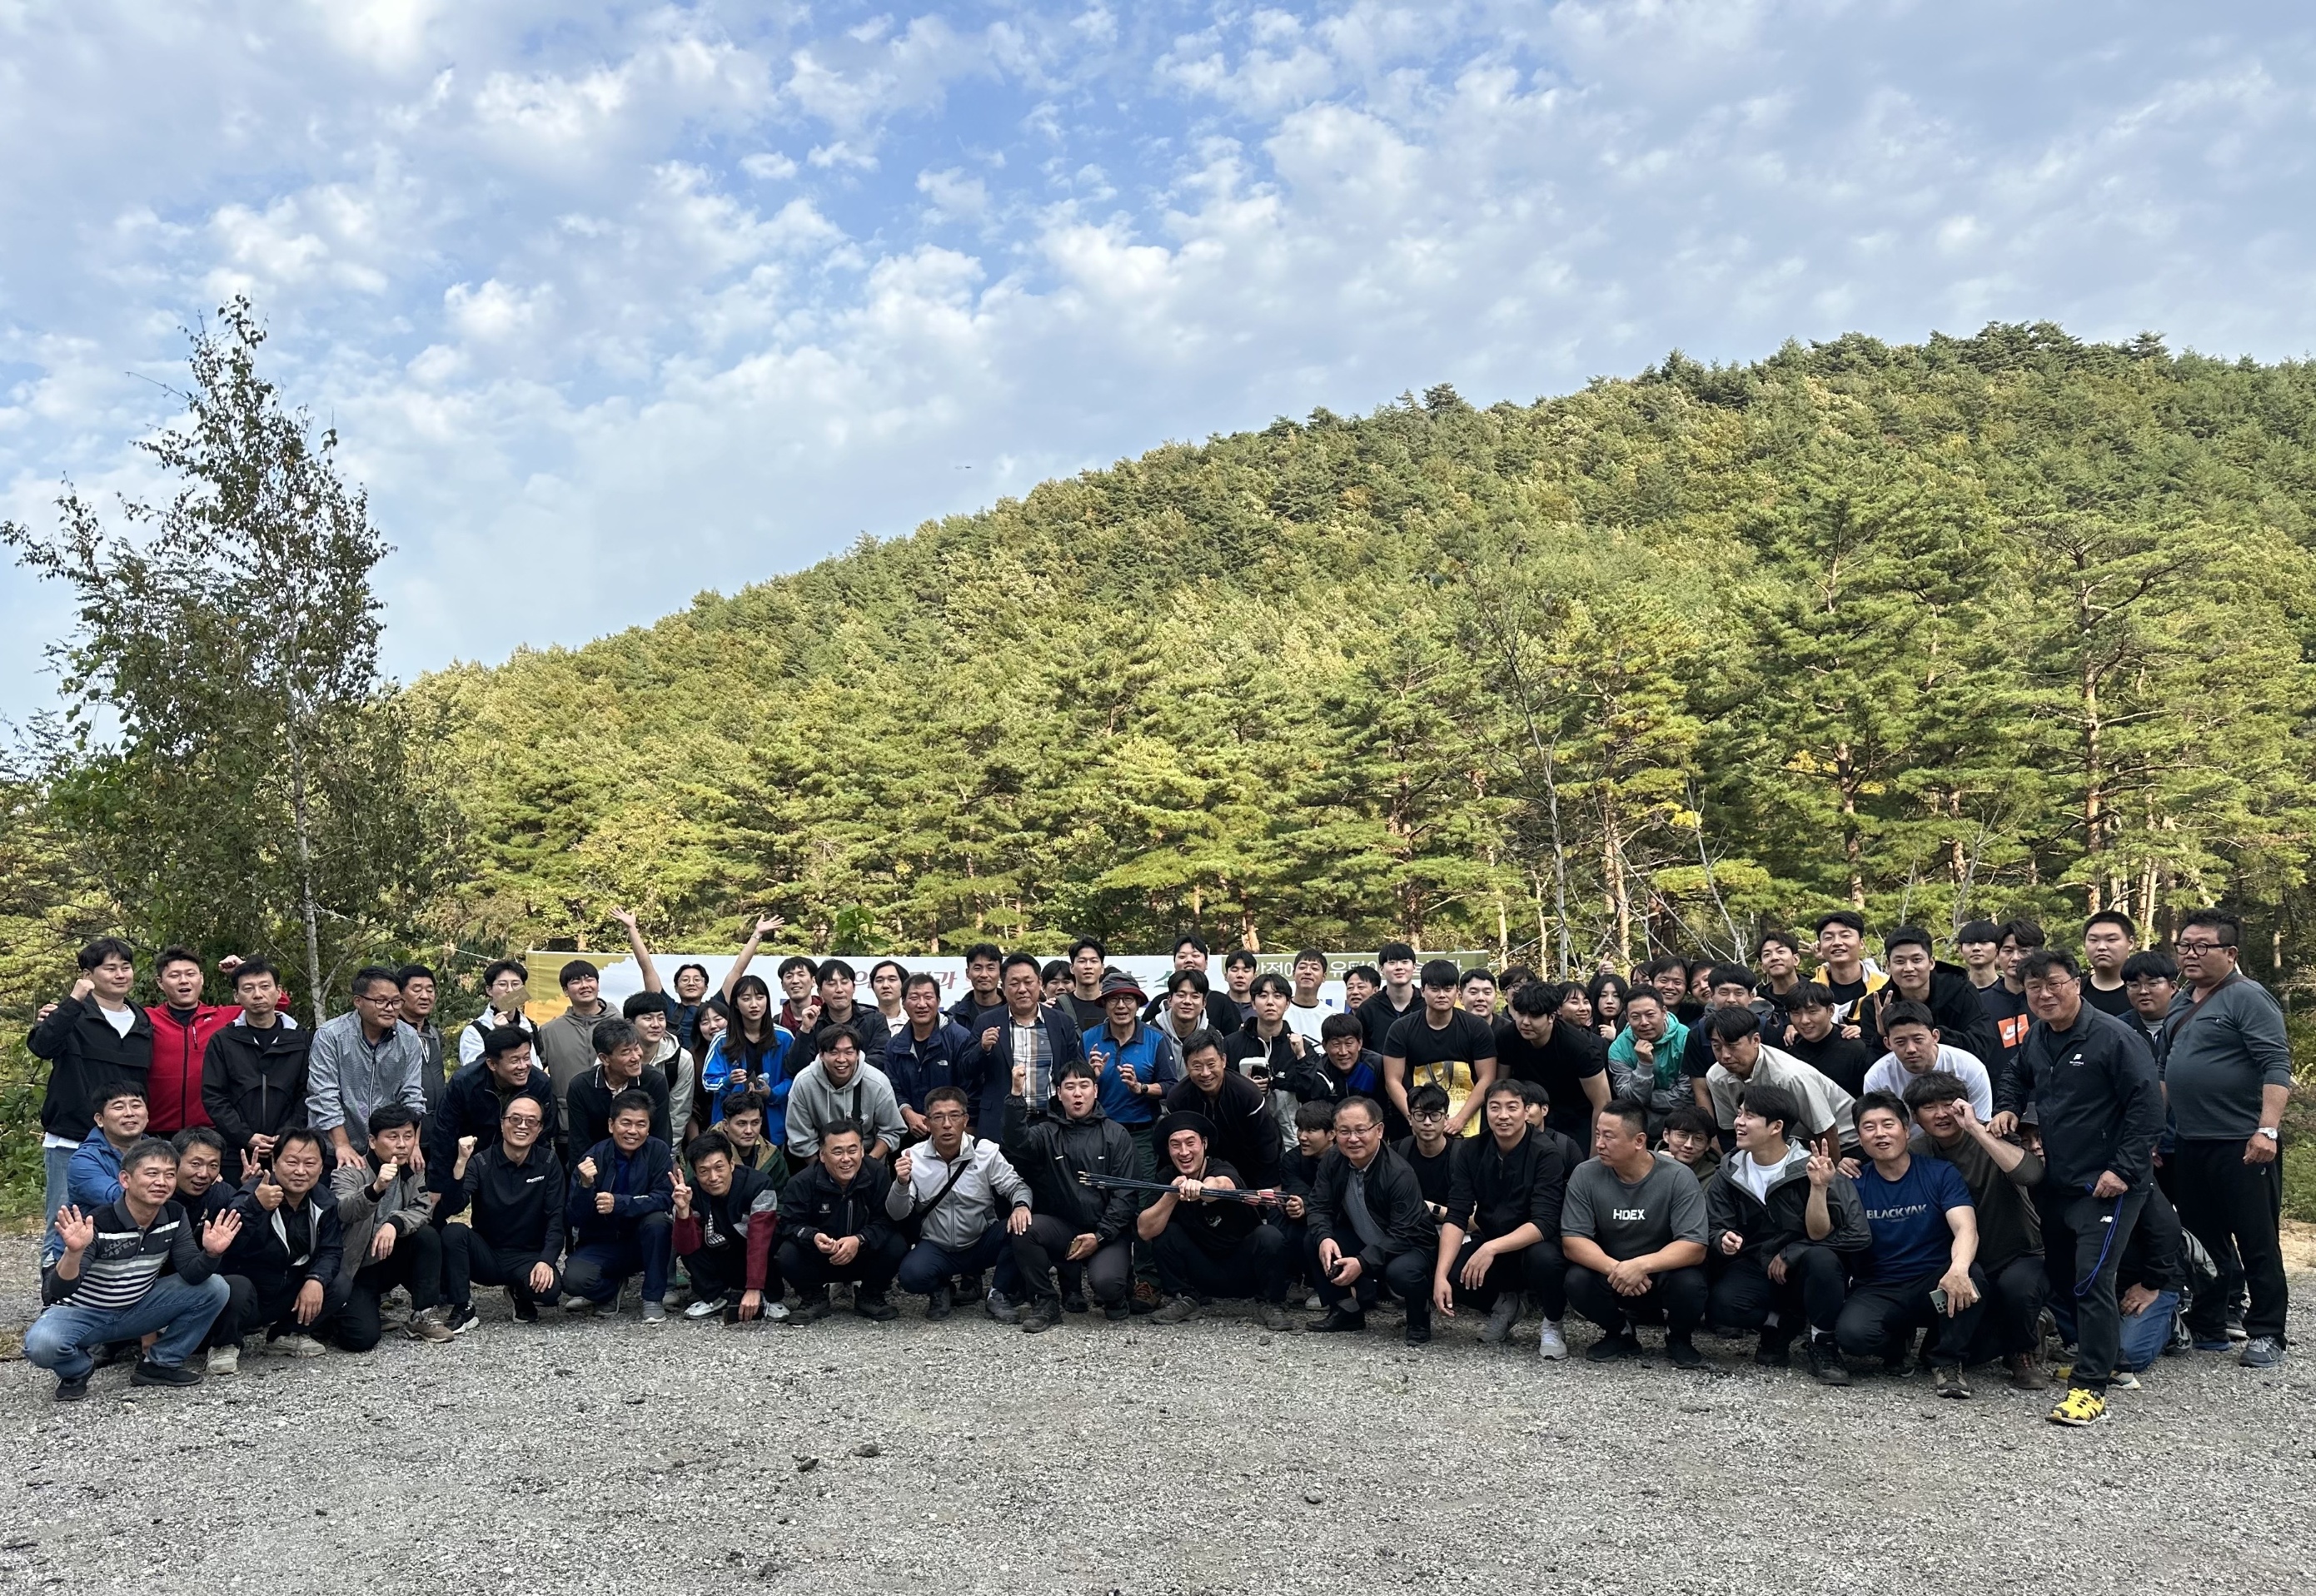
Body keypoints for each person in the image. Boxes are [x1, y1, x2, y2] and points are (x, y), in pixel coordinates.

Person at [1995, 947, 2164, 1425]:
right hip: (2061, 1179)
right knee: (2065, 1273)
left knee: (2093, 1278)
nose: (2045, 995)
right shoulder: (2038, 1036)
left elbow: (2148, 1107)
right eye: (2034, 987)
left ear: (2077, 983)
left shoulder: (2115, 1038)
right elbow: (2015, 1074)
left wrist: (2123, 1169)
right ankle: (2112, 1362)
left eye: (2054, 984)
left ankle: (2090, 1387)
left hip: (2109, 1184)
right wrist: (2008, 1106)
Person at [2160, 908, 2293, 1369]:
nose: (2190, 954)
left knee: (2257, 1239)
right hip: (2190, 1140)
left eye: (2203, 946)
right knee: (2203, 1239)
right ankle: (2209, 1323)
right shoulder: (2181, 1000)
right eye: (2184, 945)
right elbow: (2165, 1071)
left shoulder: (2248, 997)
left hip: (2242, 1141)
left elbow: (2276, 1065)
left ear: (2230, 952)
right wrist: (2155, 1131)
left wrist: (2267, 1130)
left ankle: (2268, 1331)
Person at [26, 1138, 237, 1401]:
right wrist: (74, 1252)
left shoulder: (174, 1213)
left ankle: (160, 1364)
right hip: (85, 1315)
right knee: (41, 1345)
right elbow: (59, 1290)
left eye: (169, 1175)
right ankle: (77, 1369)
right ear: (125, 1179)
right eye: (152, 1174)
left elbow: (191, 1273)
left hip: (138, 1309)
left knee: (215, 1287)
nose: (161, 1182)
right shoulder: (98, 1222)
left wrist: (212, 1254)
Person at [1705, 1082, 1867, 1384]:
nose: (1738, 1122)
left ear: (1776, 1127)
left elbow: (1858, 1233)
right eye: (1739, 1114)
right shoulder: (1730, 1169)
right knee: (1724, 1306)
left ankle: (1823, 1342)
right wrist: (1722, 1238)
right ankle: (1780, 1323)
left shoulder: (1813, 1166)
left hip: (1806, 1267)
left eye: (1749, 1116)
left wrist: (1795, 1250)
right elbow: (1715, 1225)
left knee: (1822, 1260)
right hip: (1757, 1263)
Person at [1904, 1072, 2052, 1390]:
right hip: (1966, 1259)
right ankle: (2028, 1324)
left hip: (2019, 1251)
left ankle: (2022, 1351)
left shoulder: (1992, 1132)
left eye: (1948, 1104)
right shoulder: (1917, 1151)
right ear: (1915, 1117)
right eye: (1929, 1107)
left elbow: (2030, 1174)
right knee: (1931, 1355)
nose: (1941, 1114)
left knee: (2017, 1289)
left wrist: (1975, 1128)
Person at [1836, 1091, 1987, 1398]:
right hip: (1878, 1286)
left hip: (1932, 1283)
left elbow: (1966, 1227)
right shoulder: (1853, 1182)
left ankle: (1946, 1360)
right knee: (1853, 1337)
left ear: (1906, 1130)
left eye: (1888, 1124)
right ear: (1860, 1138)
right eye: (1869, 1127)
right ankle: (1896, 1345)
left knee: (1972, 1278)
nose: (1880, 1134)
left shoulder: (1939, 1173)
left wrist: (1958, 1268)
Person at [1560, 1100, 1711, 1365]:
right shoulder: (1585, 1174)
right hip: (1611, 1273)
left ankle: (1678, 1337)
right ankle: (1620, 1332)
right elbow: (1573, 1240)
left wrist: (1641, 1266)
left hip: (1660, 1274)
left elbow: (1694, 1245)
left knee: (1690, 1282)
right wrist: (1618, 1269)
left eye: (1609, 1137)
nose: (1599, 1144)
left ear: (1639, 1141)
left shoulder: (1678, 1177)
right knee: (1577, 1280)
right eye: (1598, 1134)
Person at [1433, 1080, 1571, 1355]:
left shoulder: (1546, 1152)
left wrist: (1491, 1248)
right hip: (1492, 1238)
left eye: (1512, 1107)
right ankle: (1506, 1305)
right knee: (1451, 1272)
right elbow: (1458, 1213)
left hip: (1534, 1243)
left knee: (1545, 1260)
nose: (1503, 1116)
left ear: (1526, 1111)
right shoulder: (1471, 1150)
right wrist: (1440, 1275)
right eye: (1495, 1108)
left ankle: (1553, 1323)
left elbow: (1544, 1222)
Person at [1003, 1057, 1138, 1330]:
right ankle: (1046, 1301)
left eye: (1084, 1086)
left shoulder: (1116, 1135)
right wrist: (1016, 1095)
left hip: (1106, 1232)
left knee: (1108, 1285)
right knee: (1023, 1228)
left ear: (1095, 1091)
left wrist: (1100, 1236)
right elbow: (1017, 1143)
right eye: (1070, 1087)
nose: (1078, 1094)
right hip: (1063, 1229)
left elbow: (1126, 1195)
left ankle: (1119, 1290)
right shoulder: (1046, 1132)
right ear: (1058, 1093)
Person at [29, 937, 152, 1231]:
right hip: (71, 1138)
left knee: (123, 1222)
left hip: (125, 1142)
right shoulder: (69, 1014)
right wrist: (72, 1001)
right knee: (65, 1226)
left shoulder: (143, 1021)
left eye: (125, 967)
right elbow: (42, 1046)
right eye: (110, 968)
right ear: (88, 975)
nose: (120, 975)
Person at [884, 1086, 1033, 1318]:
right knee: (911, 1276)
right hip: (938, 1245)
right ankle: (941, 1289)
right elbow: (897, 1213)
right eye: (938, 1117)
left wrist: (1021, 1206)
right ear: (927, 1122)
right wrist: (901, 1184)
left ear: (965, 1120)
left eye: (954, 1116)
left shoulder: (985, 1151)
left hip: (981, 1240)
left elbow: (1017, 1186)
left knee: (1024, 1228)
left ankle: (998, 1293)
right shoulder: (912, 1156)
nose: (947, 1124)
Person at [1139, 1111, 1292, 1329]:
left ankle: (1272, 1303)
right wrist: (1170, 1196)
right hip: (1201, 1272)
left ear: (1204, 1143)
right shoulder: (1166, 1177)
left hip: (1244, 1269)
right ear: (1168, 1149)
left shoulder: (1221, 1167)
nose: (1184, 1152)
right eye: (1175, 1145)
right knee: (1166, 1232)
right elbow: (1144, 1230)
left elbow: (1223, 1184)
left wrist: (1203, 1188)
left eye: (1190, 1143)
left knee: (1269, 1236)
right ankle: (1184, 1298)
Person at [1305, 1096, 1439, 1344]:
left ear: (1379, 1130)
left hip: (1410, 1246)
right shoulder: (1333, 1160)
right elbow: (1318, 1205)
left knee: (1403, 1272)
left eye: (1360, 1130)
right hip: (1363, 1237)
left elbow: (1404, 1234)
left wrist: (1362, 1262)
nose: (1353, 1139)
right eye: (1344, 1131)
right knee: (1316, 1240)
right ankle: (1346, 1312)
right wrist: (1324, 1237)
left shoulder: (1399, 1173)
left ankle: (1418, 1319)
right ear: (1335, 1133)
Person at [330, 1104, 452, 1350]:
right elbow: (343, 1211)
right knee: (361, 1339)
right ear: (372, 1141)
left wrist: (394, 1223)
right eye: (393, 1137)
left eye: (408, 1136)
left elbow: (422, 1209)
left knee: (427, 1236)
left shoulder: (412, 1170)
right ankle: (336, 1315)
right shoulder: (351, 1171)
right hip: (355, 1269)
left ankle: (422, 1316)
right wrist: (375, 1189)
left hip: (389, 1260)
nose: (402, 1144)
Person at [218, 1127, 346, 1358]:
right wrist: (255, 1206)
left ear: (321, 1168)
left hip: (286, 1294)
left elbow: (331, 1250)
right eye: (292, 1162)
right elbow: (228, 1247)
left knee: (338, 1282)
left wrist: (316, 1279)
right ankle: (224, 1345)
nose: (300, 1171)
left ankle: (286, 1335)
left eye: (310, 1163)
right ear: (275, 1163)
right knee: (234, 1285)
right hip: (249, 1295)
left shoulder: (324, 1200)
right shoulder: (253, 1195)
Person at [441, 1091, 565, 1324]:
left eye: (531, 1121)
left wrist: (546, 1261)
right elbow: (453, 1206)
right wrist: (461, 1161)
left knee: (550, 1292)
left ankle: (520, 1293)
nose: (522, 1126)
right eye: (515, 1119)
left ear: (539, 1129)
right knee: (453, 1232)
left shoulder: (549, 1162)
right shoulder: (481, 1161)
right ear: (502, 1123)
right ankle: (462, 1307)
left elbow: (556, 1218)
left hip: (527, 1256)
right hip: (487, 1254)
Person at [775, 1120, 906, 1322]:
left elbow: (886, 1221)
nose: (846, 1159)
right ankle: (814, 1297)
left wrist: (859, 1240)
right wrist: (813, 1237)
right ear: (822, 1155)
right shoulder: (802, 1182)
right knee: (786, 1252)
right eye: (837, 1152)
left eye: (852, 1150)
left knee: (897, 1243)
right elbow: (789, 1224)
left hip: (863, 1253)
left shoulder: (877, 1174)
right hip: (821, 1256)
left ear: (862, 1151)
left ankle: (870, 1295)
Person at [564, 1090, 676, 1320]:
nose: (633, 1131)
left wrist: (620, 1203)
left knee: (658, 1221)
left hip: (642, 1241)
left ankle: (653, 1297)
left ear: (648, 1128)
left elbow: (664, 1198)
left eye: (641, 1124)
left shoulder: (658, 1151)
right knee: (574, 1281)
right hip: (602, 1242)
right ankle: (611, 1289)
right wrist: (585, 1186)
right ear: (611, 1125)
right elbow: (574, 1217)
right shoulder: (593, 1157)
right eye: (626, 1123)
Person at [306, 966, 427, 1170]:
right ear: (358, 1001)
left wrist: (413, 1144)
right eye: (381, 1001)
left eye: (396, 1001)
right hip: (333, 1148)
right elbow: (324, 1094)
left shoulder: (408, 1037)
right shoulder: (331, 1035)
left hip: (386, 1149)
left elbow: (412, 1095)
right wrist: (342, 1145)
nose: (390, 1008)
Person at [200, 959, 312, 1173]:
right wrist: (245, 1136)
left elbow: (307, 1093)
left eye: (265, 986)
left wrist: (287, 1134)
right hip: (236, 1148)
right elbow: (214, 1096)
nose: (258, 994)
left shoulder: (301, 1039)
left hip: (290, 1149)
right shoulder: (223, 1040)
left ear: (278, 992)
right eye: (248, 989)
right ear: (236, 996)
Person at [428, 1025, 563, 1196]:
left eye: (526, 1058)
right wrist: (437, 1185)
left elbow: (543, 1135)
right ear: (492, 1064)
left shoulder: (539, 1083)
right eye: (515, 1060)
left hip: (518, 1159)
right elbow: (444, 1133)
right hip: (474, 1157)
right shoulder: (465, 1082)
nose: (523, 1066)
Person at [1701, 1008, 1855, 1155]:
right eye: (1717, 1047)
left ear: (1755, 1040)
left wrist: (1832, 1169)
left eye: (1732, 1046)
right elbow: (1731, 1129)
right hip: (1786, 1145)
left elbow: (1826, 1130)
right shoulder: (1716, 1077)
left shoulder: (1789, 1076)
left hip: (1846, 1142)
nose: (1725, 1055)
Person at [1851, 927, 2005, 1072]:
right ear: (1888, 966)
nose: (1909, 968)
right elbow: (1870, 1068)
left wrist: (1933, 1036)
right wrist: (1882, 1037)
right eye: (1900, 962)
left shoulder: (1960, 991)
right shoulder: (1876, 1005)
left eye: (1916, 960)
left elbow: (1982, 1046)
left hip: (1957, 1078)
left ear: (1931, 963)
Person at [672, 1131, 785, 1323]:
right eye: (704, 1171)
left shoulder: (759, 1184)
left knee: (771, 1237)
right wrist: (683, 1212)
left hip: (754, 1252)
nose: (713, 1177)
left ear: (731, 1164)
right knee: (687, 1234)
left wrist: (754, 1287)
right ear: (696, 1173)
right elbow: (686, 1247)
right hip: (721, 1253)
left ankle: (770, 1296)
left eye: (719, 1167)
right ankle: (714, 1297)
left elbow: (759, 1240)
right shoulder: (692, 1192)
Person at [971, 952, 1087, 1135]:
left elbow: (1071, 1070)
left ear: (1039, 983)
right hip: (1001, 1121)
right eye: (1014, 983)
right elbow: (967, 1071)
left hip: (1051, 1122)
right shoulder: (986, 1022)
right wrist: (983, 1048)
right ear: (1003, 987)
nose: (1022, 989)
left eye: (1028, 982)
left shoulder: (1062, 1022)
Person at [1382, 958, 1498, 1139]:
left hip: (1469, 1119)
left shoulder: (1477, 1028)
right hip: (1418, 1117)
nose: (1442, 995)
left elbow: (1487, 1078)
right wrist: (1414, 1118)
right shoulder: (1401, 1029)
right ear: (1422, 991)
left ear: (1457, 992)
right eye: (1435, 989)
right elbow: (1392, 1081)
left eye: (1448, 989)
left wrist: (1460, 1119)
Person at [1083, 969, 1181, 1173]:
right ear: (1104, 1004)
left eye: (1128, 999)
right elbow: (1072, 1087)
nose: (1121, 1006)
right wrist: (1091, 1078)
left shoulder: (1156, 1039)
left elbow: (1171, 1087)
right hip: (1098, 1132)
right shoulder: (1088, 1039)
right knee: (1100, 1188)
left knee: (1142, 1189)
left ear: (1137, 1004)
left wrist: (1141, 1088)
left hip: (1142, 1134)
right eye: (1113, 999)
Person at [1166, 1029, 1285, 1191]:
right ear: (1187, 1067)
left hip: (1250, 1166)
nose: (1205, 1073)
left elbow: (1265, 1144)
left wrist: (1271, 1188)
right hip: (1202, 1174)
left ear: (1223, 1060)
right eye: (1197, 1066)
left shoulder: (1247, 1093)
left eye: (1211, 1064)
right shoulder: (1177, 1098)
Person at [1494, 982, 1611, 1146]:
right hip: (1529, 1114)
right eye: (1521, 1014)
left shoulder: (1580, 1047)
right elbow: (1502, 1087)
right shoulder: (1507, 1037)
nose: (1525, 1022)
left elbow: (1602, 1103)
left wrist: (1595, 1152)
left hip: (1577, 1117)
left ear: (1552, 1017)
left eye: (1534, 1016)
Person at [145, 947, 245, 1135]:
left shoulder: (224, 1017)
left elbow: (277, 1003)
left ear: (201, 978)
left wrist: (243, 971)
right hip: (156, 1131)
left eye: (190, 974)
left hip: (212, 1130)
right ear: (160, 982)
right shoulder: (146, 1018)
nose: (184, 980)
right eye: (174, 975)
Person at [786, 1025, 907, 1163]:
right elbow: (800, 1138)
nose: (841, 1059)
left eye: (849, 1052)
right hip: (821, 1158)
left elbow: (892, 1130)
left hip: (867, 1156)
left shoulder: (877, 1082)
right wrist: (821, 1170)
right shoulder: (804, 1083)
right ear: (821, 1055)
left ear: (858, 1054)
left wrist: (869, 1165)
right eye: (834, 1052)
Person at [884, 972, 980, 1141]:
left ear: (938, 1001)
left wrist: (965, 1131)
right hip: (911, 1133)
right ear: (904, 1003)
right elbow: (893, 1089)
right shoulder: (894, 1046)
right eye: (914, 998)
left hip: (953, 1133)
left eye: (928, 997)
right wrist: (908, 1113)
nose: (922, 1004)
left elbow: (971, 1089)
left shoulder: (960, 1038)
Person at [563, 1017, 675, 1159]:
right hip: (597, 1161)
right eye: (626, 1052)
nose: (636, 1057)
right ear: (605, 1059)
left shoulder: (655, 1081)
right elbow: (579, 1143)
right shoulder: (581, 1086)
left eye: (636, 1048)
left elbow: (661, 1138)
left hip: (643, 1161)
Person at [1861, 1002, 1995, 1119]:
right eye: (1900, 1042)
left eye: (1918, 1040)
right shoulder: (1876, 1078)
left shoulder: (1969, 1068)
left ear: (1935, 1036)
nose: (1911, 1049)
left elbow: (1981, 1122)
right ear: (1888, 1043)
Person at [535, 957, 625, 1116]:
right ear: (565, 991)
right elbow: (534, 1073)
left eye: (589, 979)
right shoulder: (549, 1031)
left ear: (598, 985)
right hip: (568, 1119)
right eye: (576, 982)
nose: (584, 985)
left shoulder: (622, 1024)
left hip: (617, 1116)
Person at [64, 1082, 150, 1224]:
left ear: (147, 1116)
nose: (129, 1113)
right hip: (95, 1235)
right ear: (100, 1119)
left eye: (136, 1106)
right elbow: (122, 1200)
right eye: (118, 1107)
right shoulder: (84, 1161)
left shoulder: (167, 1151)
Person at [1605, 987, 1689, 1122]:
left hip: (1683, 1119)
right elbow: (1630, 1101)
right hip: (1639, 1121)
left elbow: (1686, 1095)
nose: (1644, 1022)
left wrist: (1648, 1099)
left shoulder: (1685, 1038)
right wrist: (1644, 1066)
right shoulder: (1618, 1049)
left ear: (1664, 1012)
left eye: (1650, 1015)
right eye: (1635, 1017)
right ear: (1627, 1018)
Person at [1778, 982, 1875, 1097]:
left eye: (1812, 1012)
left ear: (1830, 1011)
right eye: (1796, 1013)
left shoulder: (1856, 1049)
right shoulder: (1789, 1049)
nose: (1804, 1020)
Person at [790, 959, 893, 1067]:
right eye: (831, 984)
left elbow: (882, 1058)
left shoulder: (874, 1019)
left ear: (853, 988)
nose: (839, 990)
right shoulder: (812, 1022)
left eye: (844, 983)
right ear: (820, 992)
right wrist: (805, 1030)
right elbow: (794, 1067)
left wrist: (844, 1071)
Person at [1981, 919, 2045, 1089]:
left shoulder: (2049, 999)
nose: (2015, 958)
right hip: (1997, 1094)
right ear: (1997, 954)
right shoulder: (1980, 1003)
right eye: (2008, 950)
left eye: (2024, 951)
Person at [624, 992, 692, 1142]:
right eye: (648, 1018)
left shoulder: (680, 1059)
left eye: (661, 1018)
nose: (656, 1025)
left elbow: (678, 1113)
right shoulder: (613, 1055)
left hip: (661, 1138)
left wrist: (669, 1152)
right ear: (629, 1023)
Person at [1285, 1013, 1384, 1109]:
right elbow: (1306, 1100)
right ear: (1324, 1046)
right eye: (1336, 1044)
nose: (1343, 1052)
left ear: (1360, 1043)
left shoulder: (1376, 1065)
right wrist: (1301, 1056)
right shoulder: (1320, 1071)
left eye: (1349, 1043)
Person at [457, 958, 536, 1066]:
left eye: (515, 984)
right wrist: (501, 1035)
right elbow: (472, 1069)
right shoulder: (475, 1031)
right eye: (503, 984)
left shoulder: (531, 1027)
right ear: (489, 990)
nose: (510, 990)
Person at [1813, 911, 1886, 1026]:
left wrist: (1865, 1032)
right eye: (1828, 938)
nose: (1837, 943)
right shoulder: (1810, 992)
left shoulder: (1885, 987)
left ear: (1862, 943)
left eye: (1845, 936)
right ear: (1821, 947)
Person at [1393, 1084, 1456, 1216]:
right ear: (1410, 1119)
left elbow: (1476, 1219)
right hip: (1407, 1226)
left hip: (1453, 1226)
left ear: (1446, 1119)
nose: (1427, 1122)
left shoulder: (1463, 1155)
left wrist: (1431, 1208)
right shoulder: (1396, 1152)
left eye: (1435, 1115)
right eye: (1420, 1115)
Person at [396, 964, 448, 1111]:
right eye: (417, 990)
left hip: (436, 1120)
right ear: (400, 994)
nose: (425, 996)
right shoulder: (390, 1033)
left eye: (430, 990)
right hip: (403, 1120)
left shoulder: (434, 1034)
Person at [1356, 942, 1422, 1052]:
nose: (1399, 967)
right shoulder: (1368, 1009)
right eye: (1392, 962)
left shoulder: (1426, 1004)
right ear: (1381, 969)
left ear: (1414, 967)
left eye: (1405, 962)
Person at [2081, 910, 2138, 1018]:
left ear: (2130, 943)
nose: (2101, 947)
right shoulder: (2074, 991)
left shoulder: (2145, 992)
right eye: (2093, 940)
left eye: (2111, 940)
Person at [947, 942, 1006, 1032]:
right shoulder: (955, 1014)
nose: (984, 975)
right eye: (977, 969)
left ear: (1000, 973)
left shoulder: (1013, 1009)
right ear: (968, 973)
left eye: (990, 969)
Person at [1659, 1106, 1722, 1188]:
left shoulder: (1717, 1179)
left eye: (1698, 1138)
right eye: (1682, 1136)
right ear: (1666, 1135)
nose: (1689, 1145)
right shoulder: (1648, 1167)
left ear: (1707, 1145)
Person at [1061, 938, 1110, 1032]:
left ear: (1102, 968)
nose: (1088, 966)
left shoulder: (1112, 1004)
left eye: (1094, 961)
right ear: (1071, 968)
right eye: (1082, 961)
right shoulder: (1059, 1005)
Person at [1286, 950, 1332, 1045]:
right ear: (1294, 974)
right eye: (1302, 967)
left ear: (1324, 977)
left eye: (1314, 968)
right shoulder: (1279, 1012)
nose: (1307, 972)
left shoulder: (1332, 1016)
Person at [1955, 919, 2005, 993]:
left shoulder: (2009, 990)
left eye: (1984, 942)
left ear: (1998, 947)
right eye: (1970, 943)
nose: (1976, 948)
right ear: (1960, 950)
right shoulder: (1954, 993)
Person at [868, 957, 910, 1036]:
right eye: (879, 981)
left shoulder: (913, 1021)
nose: (885, 985)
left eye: (892, 979)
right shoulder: (865, 1022)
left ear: (904, 985)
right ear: (873, 987)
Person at [1586, 972, 1630, 1041]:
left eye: (1616, 996)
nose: (1609, 1001)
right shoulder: (1586, 1028)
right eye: (1603, 995)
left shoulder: (1631, 1028)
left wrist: (1617, 1037)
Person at [1220, 949, 1260, 1022]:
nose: (1240, 975)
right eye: (1234, 970)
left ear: (1255, 976)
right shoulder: (1217, 1007)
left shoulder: (1261, 1009)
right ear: (1226, 976)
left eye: (1246, 971)